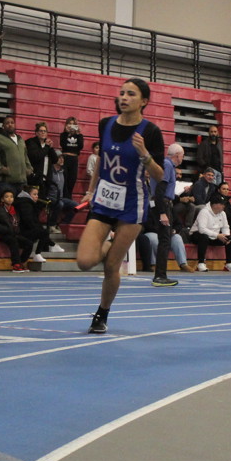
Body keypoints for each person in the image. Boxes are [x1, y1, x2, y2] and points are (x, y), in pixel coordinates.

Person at [76, 77, 165, 334]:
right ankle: (107, 245)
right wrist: (90, 190)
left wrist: (144, 154)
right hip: (104, 200)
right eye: (122, 93)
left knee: (111, 266)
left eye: (131, 94)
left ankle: (102, 314)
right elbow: (102, 160)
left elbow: (159, 175)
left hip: (132, 204)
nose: (124, 98)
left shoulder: (151, 132)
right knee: (84, 261)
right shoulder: (105, 124)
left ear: (144, 101)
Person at [148, 142, 184, 286]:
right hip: (162, 203)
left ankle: (160, 274)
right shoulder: (167, 165)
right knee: (164, 240)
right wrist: (162, 212)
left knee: (165, 240)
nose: (182, 158)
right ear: (177, 155)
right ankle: (160, 275)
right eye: (182, 155)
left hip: (162, 202)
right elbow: (160, 189)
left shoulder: (166, 165)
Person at [0, 115, 31, 201]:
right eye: (7, 123)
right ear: (3, 126)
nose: (10, 124)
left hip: (22, 182)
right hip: (6, 181)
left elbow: (25, 155)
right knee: (7, 205)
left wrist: (29, 168)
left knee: (23, 206)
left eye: (12, 122)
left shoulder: (20, 139)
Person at [0, 189, 35, 272]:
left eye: (11, 197)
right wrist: (5, 229)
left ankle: (21, 262)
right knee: (13, 241)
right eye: (7, 197)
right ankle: (16, 264)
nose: (9, 198)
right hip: (3, 235)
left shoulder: (16, 210)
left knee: (29, 243)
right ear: (2, 199)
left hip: (15, 234)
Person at [191, 194, 231, 272]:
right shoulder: (204, 212)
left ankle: (229, 263)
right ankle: (201, 263)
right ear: (214, 205)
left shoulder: (223, 213)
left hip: (214, 236)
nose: (223, 206)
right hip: (197, 235)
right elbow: (202, 229)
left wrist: (226, 236)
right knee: (204, 237)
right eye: (221, 204)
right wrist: (217, 235)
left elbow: (225, 227)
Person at [14, 186, 59, 261]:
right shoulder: (25, 204)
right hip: (22, 231)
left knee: (43, 231)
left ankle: (51, 246)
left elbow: (34, 220)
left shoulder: (27, 203)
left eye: (37, 194)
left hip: (26, 229)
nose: (37, 196)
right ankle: (41, 252)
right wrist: (37, 229)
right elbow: (28, 220)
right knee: (44, 232)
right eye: (34, 194)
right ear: (28, 194)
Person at [45, 153, 79, 233]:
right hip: (50, 197)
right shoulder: (49, 171)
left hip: (60, 197)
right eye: (59, 158)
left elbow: (65, 187)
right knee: (60, 204)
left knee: (76, 206)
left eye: (62, 158)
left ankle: (62, 224)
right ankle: (51, 225)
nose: (62, 160)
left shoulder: (63, 171)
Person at [25, 121, 57, 197]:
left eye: (45, 131)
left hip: (46, 179)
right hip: (34, 178)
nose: (43, 133)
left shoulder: (47, 145)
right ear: (36, 133)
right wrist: (47, 147)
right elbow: (36, 157)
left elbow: (55, 160)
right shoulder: (31, 142)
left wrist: (51, 148)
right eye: (41, 131)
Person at [58, 116, 84, 199]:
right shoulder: (63, 135)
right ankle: (65, 198)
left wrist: (78, 134)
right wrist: (66, 133)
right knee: (64, 179)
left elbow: (80, 146)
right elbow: (63, 145)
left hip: (74, 159)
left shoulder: (79, 135)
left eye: (73, 124)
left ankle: (69, 198)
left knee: (72, 180)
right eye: (70, 124)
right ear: (66, 125)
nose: (71, 126)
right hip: (65, 158)